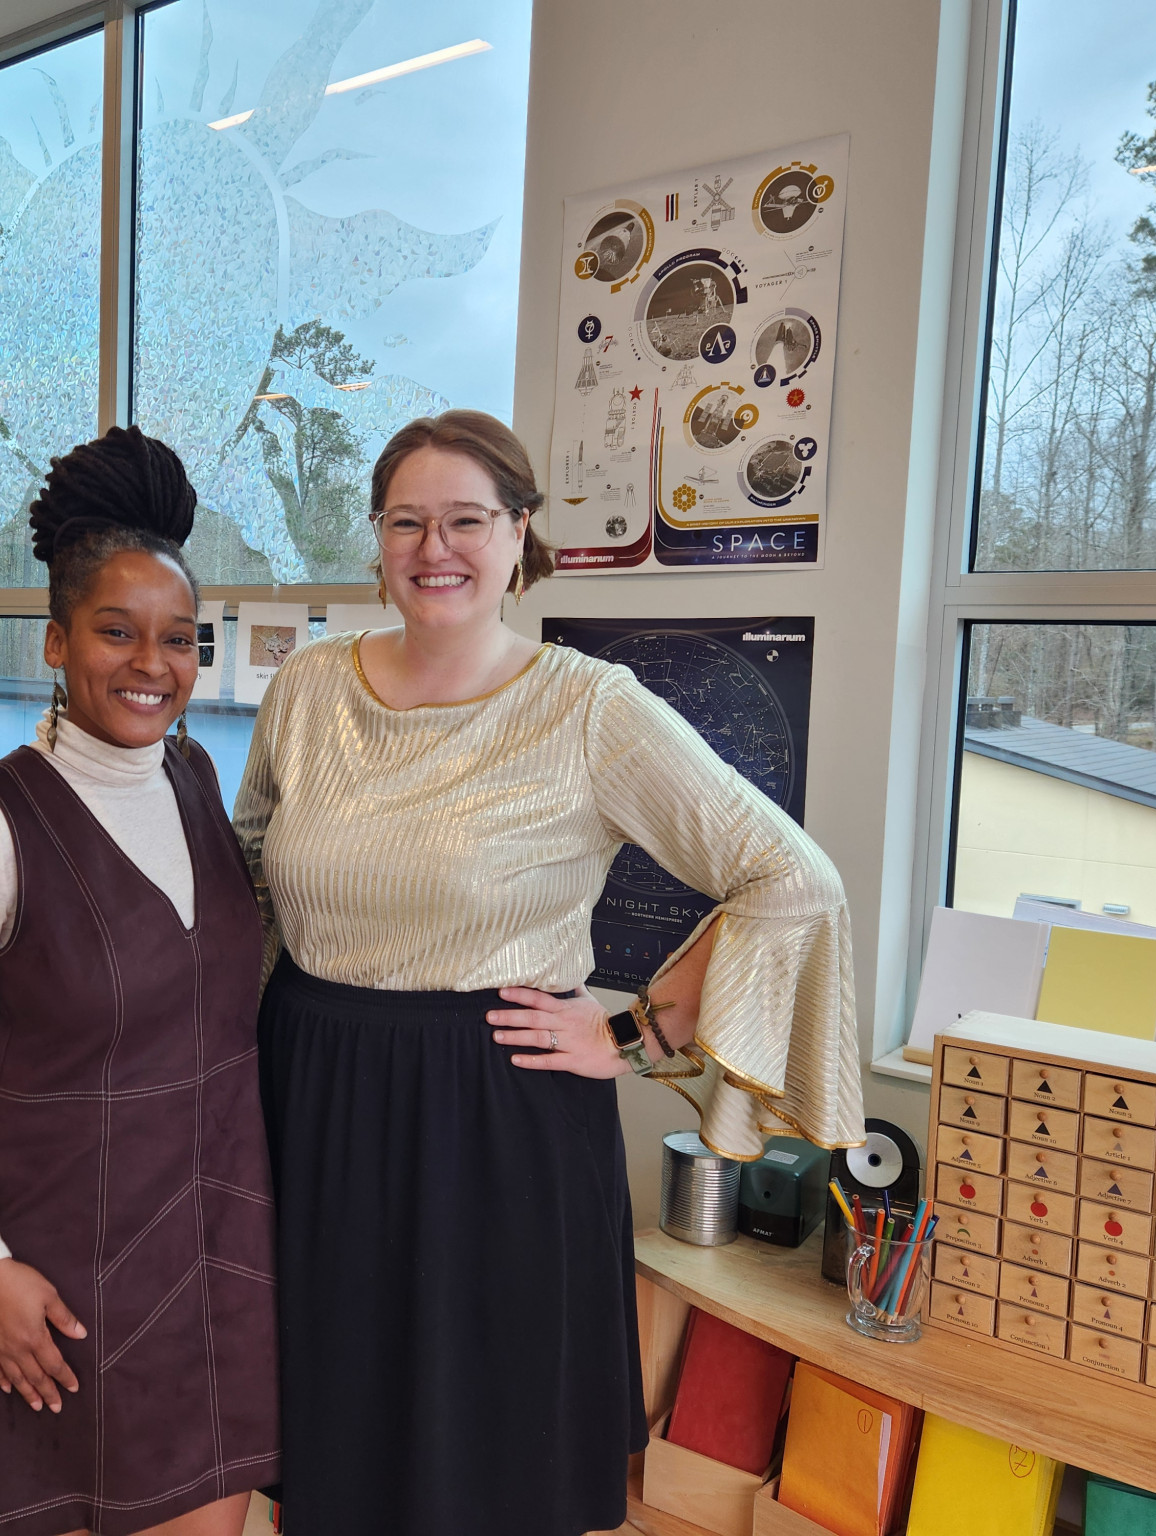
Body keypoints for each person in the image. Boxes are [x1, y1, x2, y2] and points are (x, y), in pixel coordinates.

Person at [233, 409, 861, 1536]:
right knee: (335, 1428)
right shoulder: (308, 688)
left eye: (466, 520)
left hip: (495, 1111)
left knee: (487, 1453)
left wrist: (633, 1034)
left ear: (519, 532)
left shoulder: (586, 705)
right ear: (377, 538)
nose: (435, 548)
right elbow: (246, 872)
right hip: (314, 1097)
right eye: (406, 522)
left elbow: (790, 876)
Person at [0, 426, 278, 1536]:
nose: (151, 663)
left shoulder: (196, 780)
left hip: (207, 1254)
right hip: (43, 1274)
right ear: (56, 641)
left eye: (178, 639)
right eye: (116, 631)